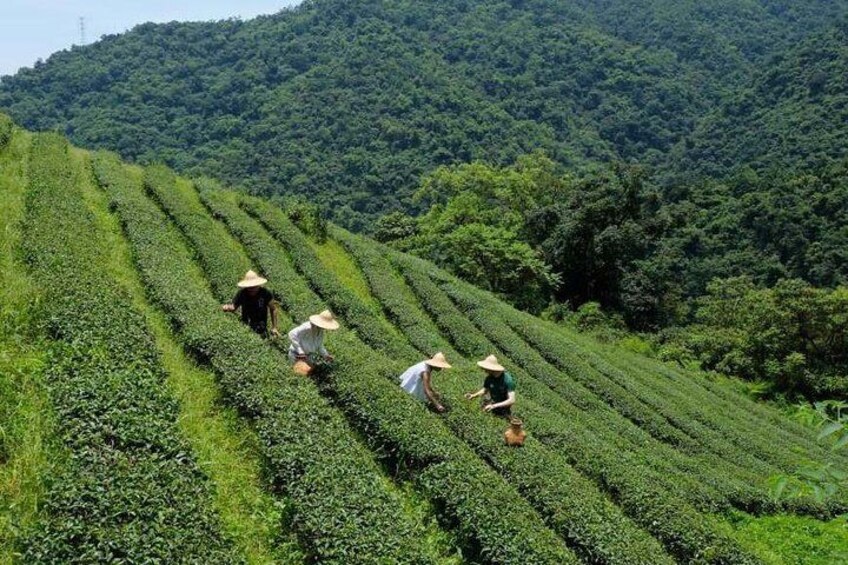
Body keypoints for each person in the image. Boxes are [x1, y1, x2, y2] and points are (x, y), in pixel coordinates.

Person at [221, 270, 279, 337]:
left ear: (258, 285)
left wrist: (274, 327)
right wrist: (226, 307)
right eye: (249, 287)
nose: (251, 288)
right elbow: (234, 307)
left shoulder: (265, 293)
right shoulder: (242, 293)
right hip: (246, 325)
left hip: (261, 326)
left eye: (253, 286)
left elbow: (273, 309)